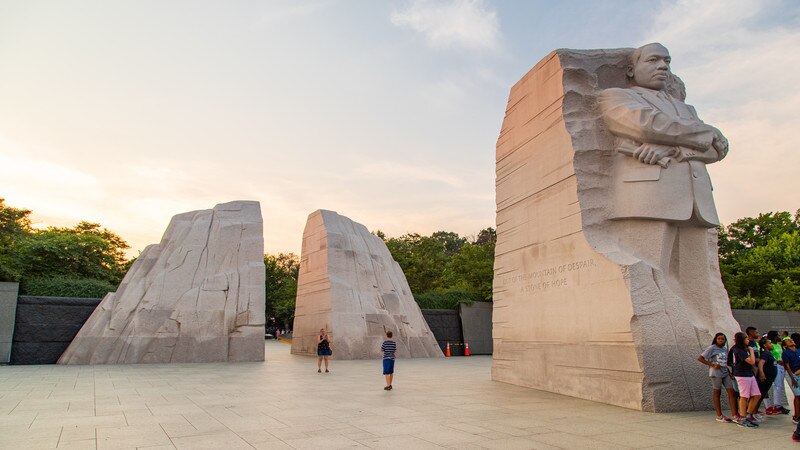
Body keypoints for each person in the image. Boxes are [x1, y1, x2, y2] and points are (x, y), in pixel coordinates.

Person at [698, 333, 738, 422]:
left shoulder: (725, 349)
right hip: (716, 373)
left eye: (722, 339)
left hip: (725, 372)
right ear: (716, 339)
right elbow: (700, 358)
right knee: (717, 392)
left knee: (731, 391)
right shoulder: (712, 348)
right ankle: (719, 415)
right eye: (719, 339)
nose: (720, 340)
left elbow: (726, 361)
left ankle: (735, 414)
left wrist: (730, 370)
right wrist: (712, 364)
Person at [731, 332, 761, 427]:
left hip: (749, 374)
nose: (748, 340)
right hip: (742, 374)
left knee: (756, 395)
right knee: (744, 396)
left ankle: (747, 414)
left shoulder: (744, 348)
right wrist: (751, 351)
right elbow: (751, 361)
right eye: (746, 338)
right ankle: (742, 418)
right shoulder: (738, 350)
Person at [752, 337, 778, 422]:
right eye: (769, 343)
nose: (771, 345)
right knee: (759, 396)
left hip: (769, 378)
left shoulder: (769, 353)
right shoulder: (765, 354)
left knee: (762, 396)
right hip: (764, 379)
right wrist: (762, 374)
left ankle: (755, 413)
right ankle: (752, 413)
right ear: (765, 345)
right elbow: (761, 363)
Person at [767, 330, 791, 415]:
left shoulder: (778, 344)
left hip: (782, 366)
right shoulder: (771, 345)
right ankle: (777, 405)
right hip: (776, 366)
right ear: (774, 336)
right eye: (777, 335)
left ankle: (779, 404)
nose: (779, 337)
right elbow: (769, 355)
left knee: (780, 386)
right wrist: (777, 361)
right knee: (777, 386)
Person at [782, 339, 800, 423]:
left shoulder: (798, 350)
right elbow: (787, 366)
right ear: (785, 345)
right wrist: (792, 378)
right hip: (793, 375)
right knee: (797, 395)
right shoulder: (786, 353)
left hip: (799, 373)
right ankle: (796, 416)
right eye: (788, 341)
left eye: (791, 340)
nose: (791, 341)